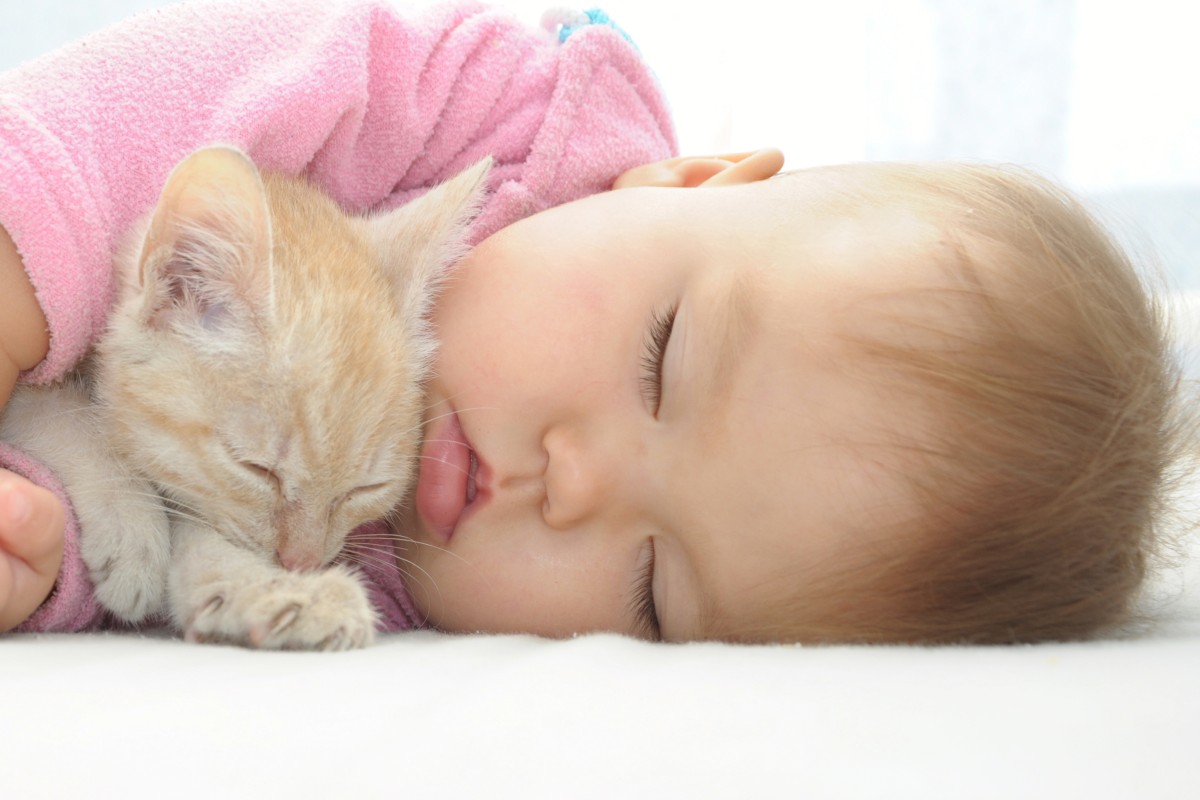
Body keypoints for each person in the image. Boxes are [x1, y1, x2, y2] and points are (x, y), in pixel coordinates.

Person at [0, 1, 1187, 644]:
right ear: (692, 183)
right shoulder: (510, 108)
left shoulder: (405, 586)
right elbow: (183, 93)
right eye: (663, 363)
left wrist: (42, 555)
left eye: (652, 586)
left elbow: (138, 558)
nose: (570, 483)